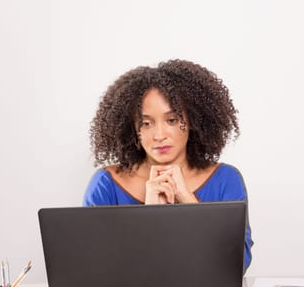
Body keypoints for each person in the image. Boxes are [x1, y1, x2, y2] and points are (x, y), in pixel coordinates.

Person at [83, 59, 254, 270]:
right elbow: (95, 267)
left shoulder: (226, 180)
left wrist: (188, 202)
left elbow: (238, 265)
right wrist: (150, 217)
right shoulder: (106, 184)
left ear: (193, 121)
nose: (159, 135)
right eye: (146, 123)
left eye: (172, 120)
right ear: (133, 129)